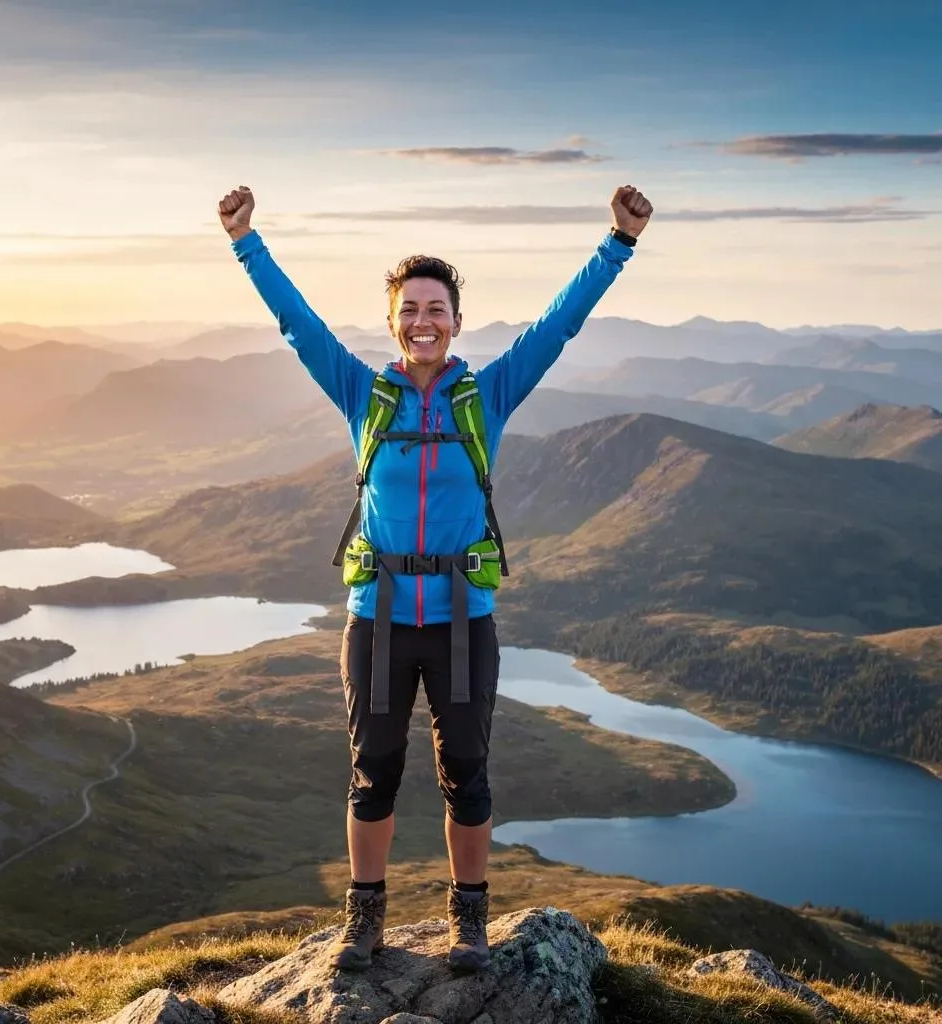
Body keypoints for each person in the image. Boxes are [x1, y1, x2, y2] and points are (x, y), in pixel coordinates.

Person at [217, 182, 652, 972]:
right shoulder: (363, 393)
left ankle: (468, 921)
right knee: (373, 770)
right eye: (410, 310)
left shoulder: (486, 395)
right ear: (393, 322)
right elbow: (297, 325)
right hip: (377, 616)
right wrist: (247, 242)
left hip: (461, 615)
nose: (424, 321)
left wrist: (615, 244)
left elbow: (559, 327)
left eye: (437, 309)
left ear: (456, 321)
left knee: (468, 773)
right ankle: (364, 919)